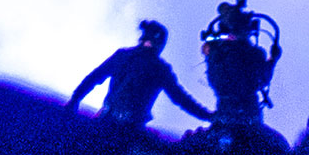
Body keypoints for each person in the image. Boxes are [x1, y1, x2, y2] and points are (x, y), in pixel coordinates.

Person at [65, 20, 212, 129]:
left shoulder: (124, 56)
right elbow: (180, 98)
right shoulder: (159, 68)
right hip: (129, 128)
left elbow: (94, 77)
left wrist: (75, 99)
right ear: (160, 44)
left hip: (108, 120)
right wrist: (208, 116)